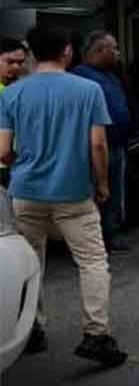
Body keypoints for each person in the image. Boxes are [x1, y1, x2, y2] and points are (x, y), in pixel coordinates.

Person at [0, 27, 128, 366]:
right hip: (73, 192)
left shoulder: (12, 94)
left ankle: (31, 330)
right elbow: (98, 144)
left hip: (25, 191)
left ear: (30, 55)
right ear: (67, 52)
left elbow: (2, 151)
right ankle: (96, 335)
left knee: (32, 264)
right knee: (92, 261)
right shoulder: (88, 90)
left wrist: (24, 166)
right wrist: (102, 184)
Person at [72, 31, 131, 254]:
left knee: (114, 194)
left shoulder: (111, 75)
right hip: (95, 146)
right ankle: (94, 241)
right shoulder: (81, 76)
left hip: (117, 145)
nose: (117, 53)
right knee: (97, 194)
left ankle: (110, 236)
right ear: (100, 50)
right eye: (113, 48)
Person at [0, 38, 28, 188]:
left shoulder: (21, 90)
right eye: (9, 62)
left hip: (15, 165)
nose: (16, 67)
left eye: (20, 62)